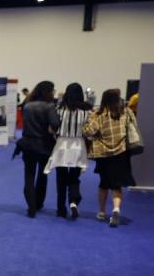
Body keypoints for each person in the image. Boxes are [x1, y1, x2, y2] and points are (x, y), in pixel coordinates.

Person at [83, 89, 138, 227]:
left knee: (103, 184)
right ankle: (116, 209)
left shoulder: (99, 115)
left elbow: (89, 132)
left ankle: (102, 212)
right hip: (121, 153)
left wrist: (87, 121)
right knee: (117, 185)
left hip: (104, 155)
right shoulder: (126, 112)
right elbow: (134, 126)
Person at [45, 83, 90, 220]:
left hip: (61, 145)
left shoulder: (59, 110)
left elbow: (51, 129)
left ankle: (60, 209)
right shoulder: (86, 112)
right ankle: (73, 202)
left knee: (61, 179)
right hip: (78, 145)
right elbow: (88, 132)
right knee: (74, 178)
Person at [18, 81, 60, 218]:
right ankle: (39, 202)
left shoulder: (27, 106)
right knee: (43, 176)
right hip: (44, 145)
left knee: (29, 176)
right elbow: (55, 124)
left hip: (28, 143)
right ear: (49, 91)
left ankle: (31, 207)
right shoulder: (49, 106)